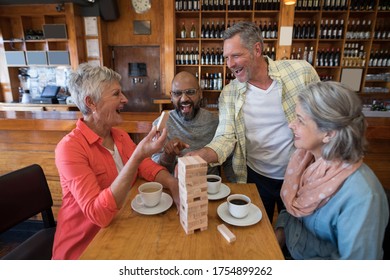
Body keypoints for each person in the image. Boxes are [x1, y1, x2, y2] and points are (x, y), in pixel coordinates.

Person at [186, 21, 320, 222]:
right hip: (255, 177)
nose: (229, 64)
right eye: (226, 58)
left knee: (298, 233)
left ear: (257, 49)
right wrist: (200, 155)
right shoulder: (229, 94)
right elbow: (225, 138)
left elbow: (325, 117)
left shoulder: (301, 73)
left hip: (303, 174)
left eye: (236, 55)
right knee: (257, 233)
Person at [52, 63, 180, 260]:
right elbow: (99, 215)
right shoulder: (69, 149)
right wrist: (138, 156)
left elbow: (146, 167)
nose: (125, 99)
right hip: (85, 249)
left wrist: (173, 184)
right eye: (116, 94)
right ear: (91, 102)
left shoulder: (118, 135)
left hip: (120, 230)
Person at [274, 81, 389, 259]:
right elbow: (292, 210)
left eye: (300, 120)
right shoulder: (303, 160)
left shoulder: (362, 196)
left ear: (329, 133)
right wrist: (278, 238)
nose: (291, 124)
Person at [151, 71, 234, 181]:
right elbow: (156, 169)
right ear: (171, 96)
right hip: (174, 185)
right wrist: (168, 154)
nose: (184, 99)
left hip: (208, 184)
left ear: (200, 93)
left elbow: (228, 159)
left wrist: (234, 185)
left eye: (190, 92)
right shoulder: (160, 124)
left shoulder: (215, 122)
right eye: (177, 93)